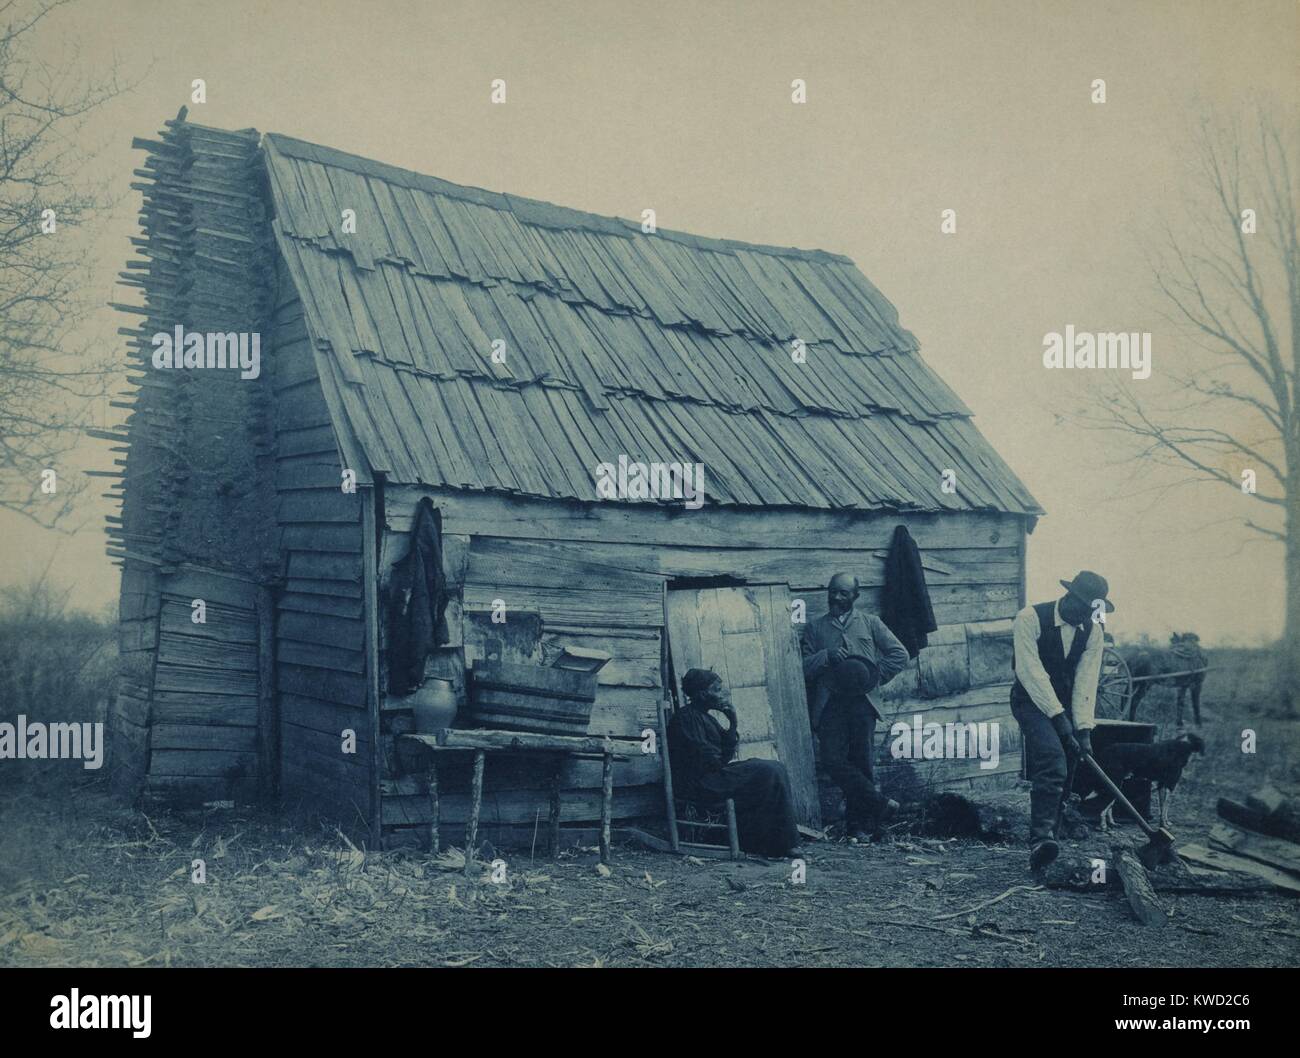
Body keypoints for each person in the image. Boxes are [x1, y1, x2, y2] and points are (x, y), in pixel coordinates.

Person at [1011, 570, 1111, 870]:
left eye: (1090, 611)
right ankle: (1040, 838)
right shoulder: (1029, 617)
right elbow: (1031, 672)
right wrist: (1058, 717)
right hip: (1029, 699)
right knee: (1053, 760)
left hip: (1066, 706)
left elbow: (1086, 682)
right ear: (1068, 597)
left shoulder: (1093, 632)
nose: (1083, 616)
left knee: (1069, 765)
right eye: (1081, 608)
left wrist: (1083, 730)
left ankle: (1053, 835)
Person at [801, 572, 910, 839]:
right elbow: (802, 668)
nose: (836, 597)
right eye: (833, 591)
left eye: (843, 593)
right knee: (832, 760)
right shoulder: (815, 628)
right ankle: (879, 803)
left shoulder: (871, 623)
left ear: (855, 597)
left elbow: (900, 654)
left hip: (863, 702)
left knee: (862, 762)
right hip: (830, 703)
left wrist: (871, 678)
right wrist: (826, 656)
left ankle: (860, 827)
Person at [667, 668, 801, 857]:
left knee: (775, 768)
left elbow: (724, 755)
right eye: (717, 690)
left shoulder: (707, 717)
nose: (721, 694)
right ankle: (783, 844)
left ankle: (779, 843)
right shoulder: (686, 718)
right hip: (699, 783)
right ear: (702, 693)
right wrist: (730, 765)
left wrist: (733, 722)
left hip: (713, 775)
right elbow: (705, 758)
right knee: (767, 771)